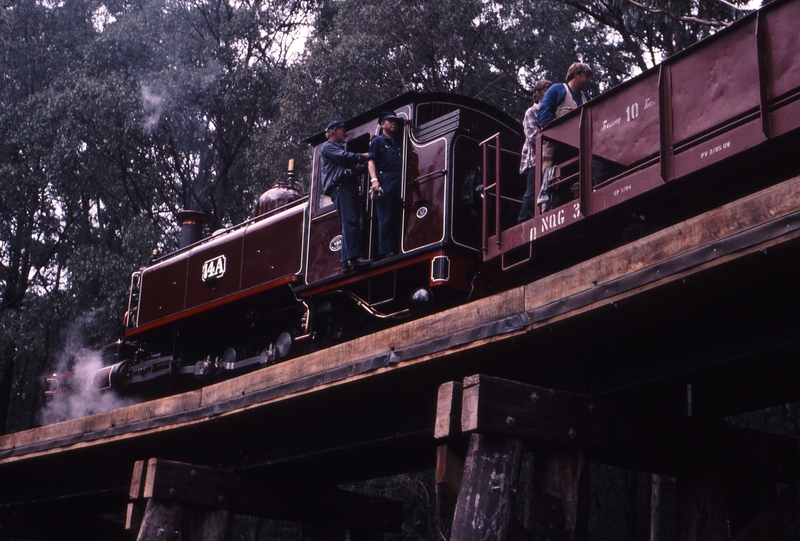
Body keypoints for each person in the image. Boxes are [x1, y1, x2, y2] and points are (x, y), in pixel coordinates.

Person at [537, 63, 593, 210]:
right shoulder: (558, 90)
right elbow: (544, 112)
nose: (589, 80)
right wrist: (554, 134)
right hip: (556, 148)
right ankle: (547, 208)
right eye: (586, 76)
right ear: (576, 74)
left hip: (578, 149)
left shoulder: (586, 97)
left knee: (578, 180)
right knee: (552, 181)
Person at [321, 120, 371, 273]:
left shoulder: (338, 149)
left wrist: (370, 161)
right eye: (343, 131)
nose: (345, 134)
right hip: (341, 187)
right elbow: (344, 157)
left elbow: (354, 167)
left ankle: (346, 261)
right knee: (350, 221)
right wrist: (364, 156)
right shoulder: (329, 147)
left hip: (348, 187)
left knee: (351, 222)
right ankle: (354, 258)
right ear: (334, 130)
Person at [368, 111, 404, 259]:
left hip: (397, 180)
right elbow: (371, 161)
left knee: (397, 214)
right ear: (382, 124)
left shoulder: (398, 144)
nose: (393, 123)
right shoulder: (377, 141)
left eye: (394, 121)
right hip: (385, 179)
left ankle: (397, 247)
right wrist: (374, 180)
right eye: (390, 121)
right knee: (386, 216)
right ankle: (386, 251)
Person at [517, 79, 552, 223]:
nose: (548, 93)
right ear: (537, 94)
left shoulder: (551, 111)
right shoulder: (531, 112)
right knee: (532, 190)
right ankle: (522, 218)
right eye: (545, 91)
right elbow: (532, 136)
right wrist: (544, 134)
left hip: (547, 156)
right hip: (534, 158)